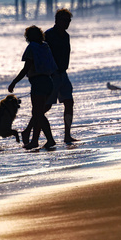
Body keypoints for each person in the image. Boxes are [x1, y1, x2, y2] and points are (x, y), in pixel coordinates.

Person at [21, 9, 78, 144]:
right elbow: (38, 53)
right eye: (64, 20)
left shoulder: (66, 36)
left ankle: (67, 135)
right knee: (44, 107)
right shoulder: (48, 35)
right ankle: (28, 131)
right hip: (52, 76)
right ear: (57, 20)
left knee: (69, 102)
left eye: (68, 21)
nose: (67, 23)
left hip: (63, 73)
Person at [8, 25, 57, 150]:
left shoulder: (32, 48)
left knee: (38, 113)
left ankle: (38, 141)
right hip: (48, 81)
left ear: (28, 37)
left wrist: (14, 82)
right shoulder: (45, 46)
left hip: (38, 82)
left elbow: (26, 68)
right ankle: (46, 140)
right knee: (38, 113)